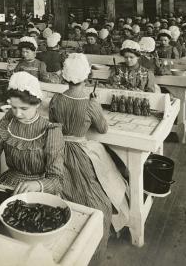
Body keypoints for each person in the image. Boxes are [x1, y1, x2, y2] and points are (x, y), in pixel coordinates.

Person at [49, 53, 129, 261]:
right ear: (87, 77)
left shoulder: (56, 100)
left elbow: (53, 123)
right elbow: (102, 128)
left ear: (65, 77)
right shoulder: (90, 103)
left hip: (57, 150)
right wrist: (96, 107)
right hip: (80, 151)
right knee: (103, 195)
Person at [0, 72, 64, 196]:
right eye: (14, 107)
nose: (18, 114)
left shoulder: (50, 131)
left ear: (37, 104)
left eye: (24, 108)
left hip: (38, 190)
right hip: (9, 183)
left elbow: (57, 180)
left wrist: (37, 184)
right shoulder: (8, 122)